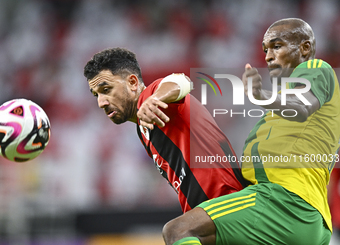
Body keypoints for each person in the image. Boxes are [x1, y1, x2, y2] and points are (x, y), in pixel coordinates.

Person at [162, 18, 340, 245]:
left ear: (305, 48)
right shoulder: (281, 108)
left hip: (284, 202)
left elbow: (302, 106)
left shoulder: (318, 69)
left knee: (179, 231)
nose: (268, 56)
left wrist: (261, 96)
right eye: (265, 50)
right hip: (305, 216)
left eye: (277, 46)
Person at [83, 48, 246, 214]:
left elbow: (181, 82)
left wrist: (155, 99)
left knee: (175, 231)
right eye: (96, 95)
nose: (101, 102)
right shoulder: (143, 129)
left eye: (106, 90)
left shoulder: (151, 95)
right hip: (207, 211)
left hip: (227, 201)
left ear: (132, 82)